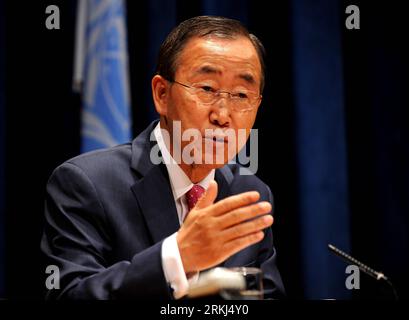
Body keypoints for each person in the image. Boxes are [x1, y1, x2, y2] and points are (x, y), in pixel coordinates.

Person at [41, 15, 285, 300]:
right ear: (162, 94)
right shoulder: (86, 184)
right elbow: (69, 295)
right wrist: (177, 257)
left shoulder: (250, 193)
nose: (222, 115)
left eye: (242, 95)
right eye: (206, 89)